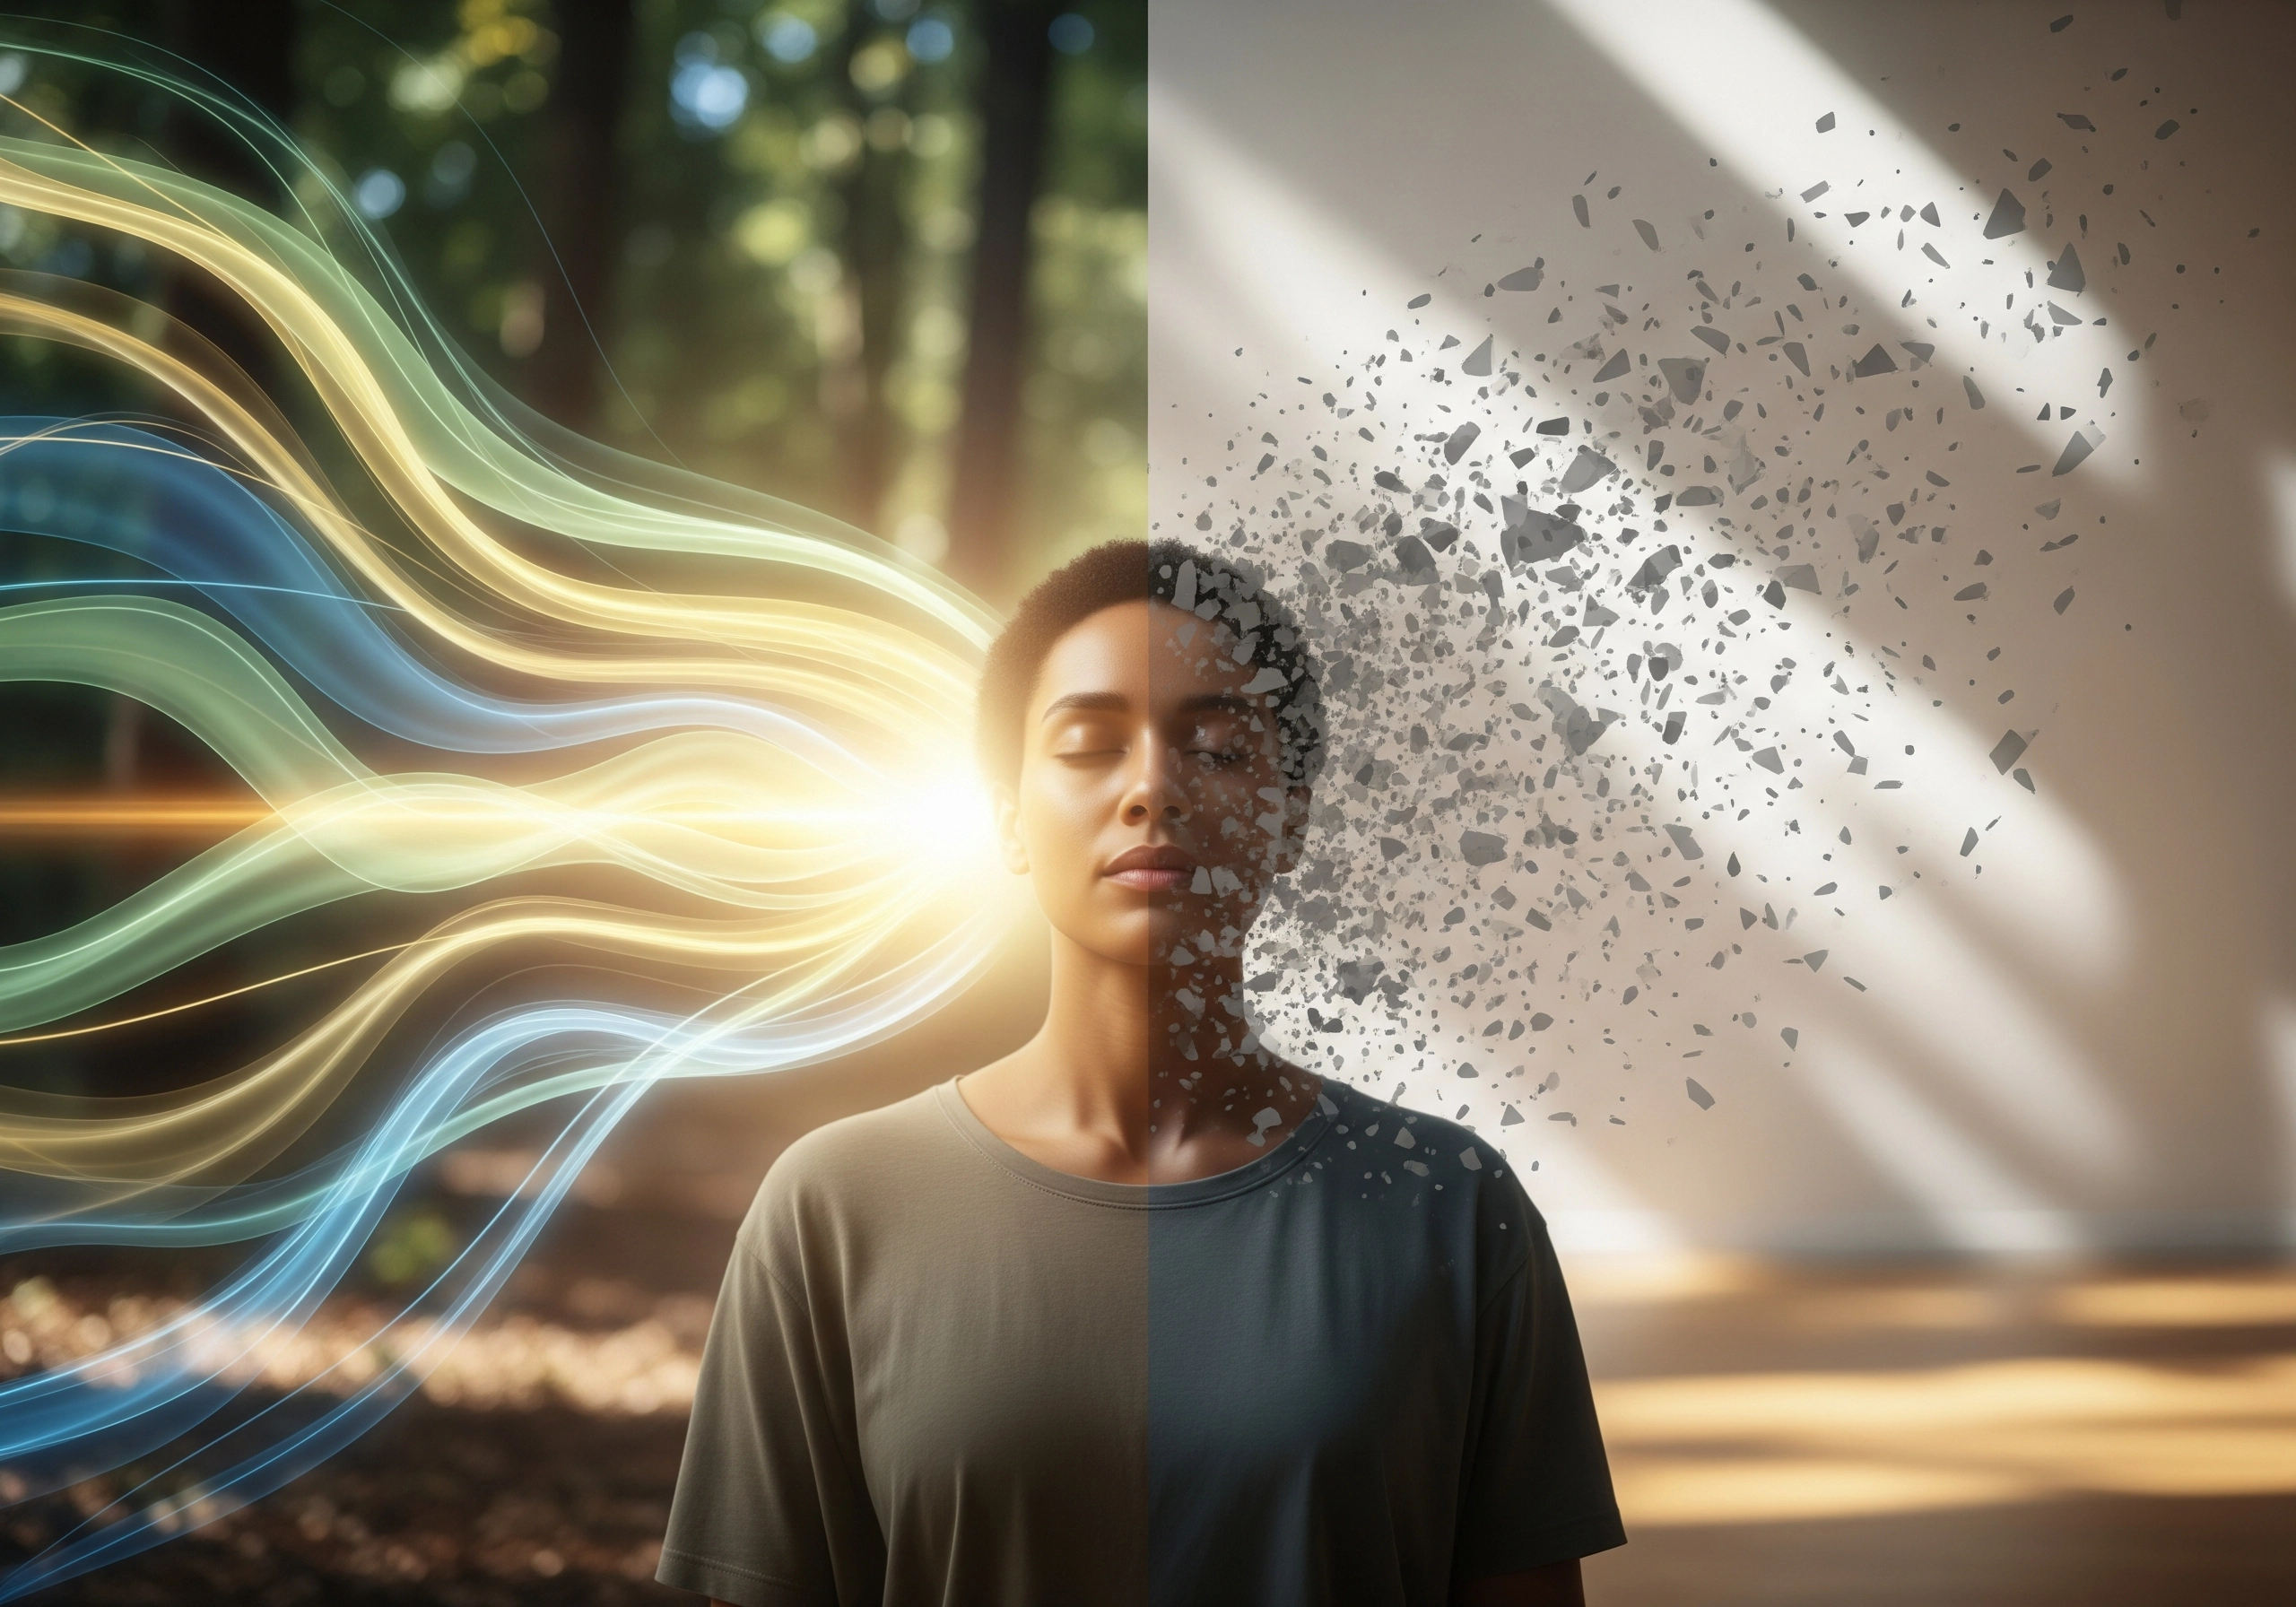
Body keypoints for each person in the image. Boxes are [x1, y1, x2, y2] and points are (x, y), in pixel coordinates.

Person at [657, 540, 1624, 1606]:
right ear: (1006, 817)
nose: (1153, 786)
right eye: (1087, 745)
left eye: (1219, 747)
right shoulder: (837, 1208)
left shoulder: (1446, 1203)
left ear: (1290, 817)